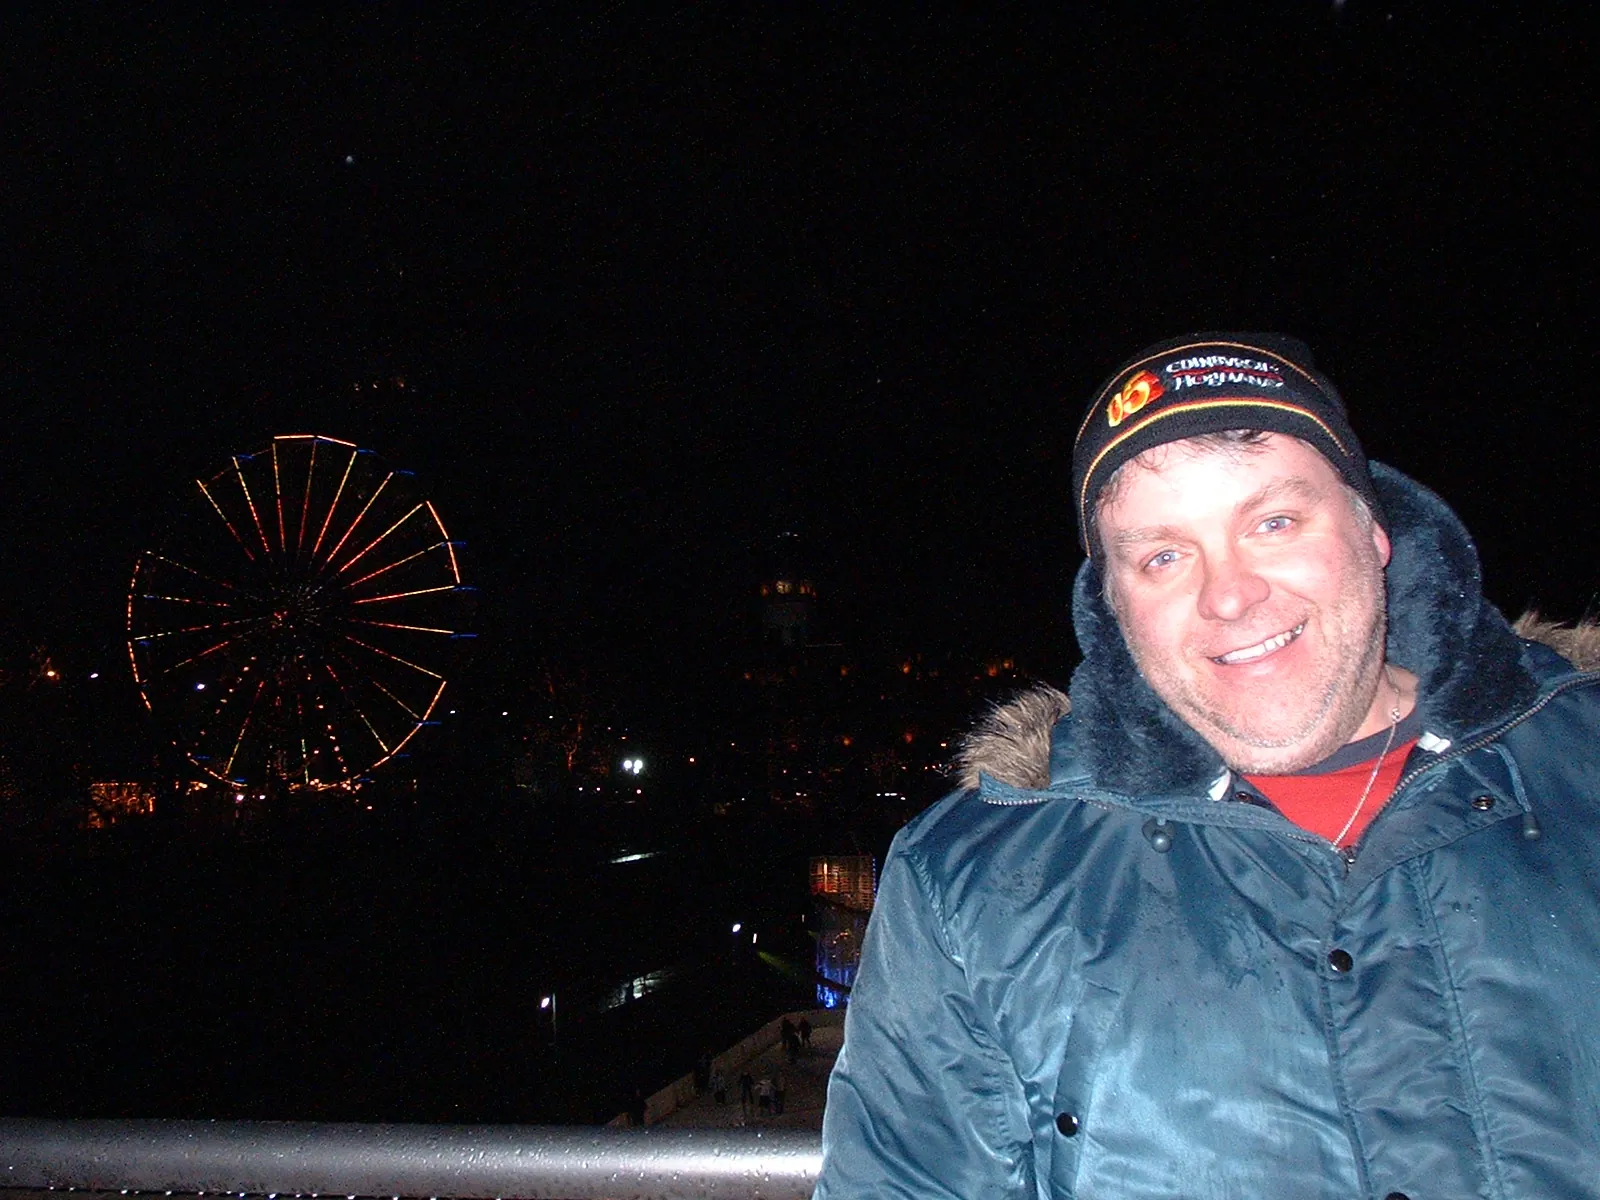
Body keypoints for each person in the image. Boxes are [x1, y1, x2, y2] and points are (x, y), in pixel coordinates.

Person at [817, 333, 1600, 1199]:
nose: (1228, 595)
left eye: (1273, 522)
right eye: (1162, 556)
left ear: (1375, 531)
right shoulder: (971, 889)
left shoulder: (1580, 764)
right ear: (1113, 607)